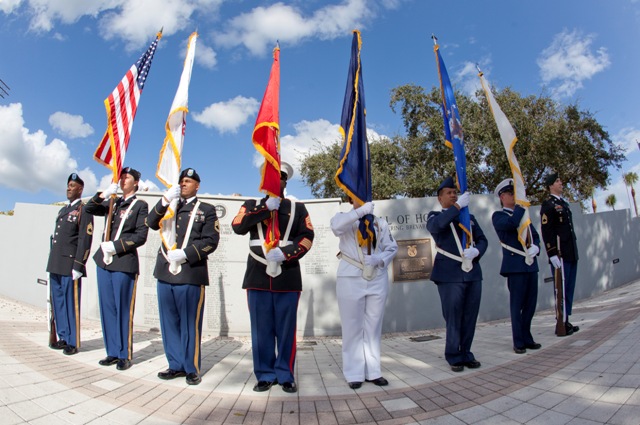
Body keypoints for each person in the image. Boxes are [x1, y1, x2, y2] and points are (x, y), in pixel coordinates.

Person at [232, 162, 314, 393]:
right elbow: (237, 226)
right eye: (270, 177)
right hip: (257, 277)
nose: (276, 182)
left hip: (287, 276)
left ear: (286, 182)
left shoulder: (298, 208)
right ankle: (265, 374)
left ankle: (285, 374)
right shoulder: (251, 205)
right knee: (261, 330)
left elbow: (307, 237)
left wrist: (287, 253)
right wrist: (265, 209)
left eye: (280, 178)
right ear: (263, 181)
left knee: (286, 330)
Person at [146, 168, 220, 385]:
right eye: (181, 181)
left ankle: (191, 368)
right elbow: (150, 223)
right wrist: (164, 200)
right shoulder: (170, 206)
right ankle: (175, 365)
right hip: (165, 271)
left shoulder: (206, 209)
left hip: (190, 273)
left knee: (189, 323)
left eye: (188, 181)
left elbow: (211, 241)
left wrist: (186, 254)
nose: (184, 184)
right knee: (169, 323)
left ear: (198, 185)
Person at [84, 167, 149, 371]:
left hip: (123, 261)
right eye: (121, 177)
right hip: (104, 261)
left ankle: (124, 354)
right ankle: (111, 351)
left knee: (122, 309)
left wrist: (116, 246)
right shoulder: (113, 202)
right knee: (108, 309)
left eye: (126, 177)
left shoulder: (140, 205)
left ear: (136, 182)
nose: (122, 180)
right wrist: (103, 193)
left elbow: (140, 236)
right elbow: (89, 209)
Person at [330, 199, 398, 389]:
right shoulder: (344, 218)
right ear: (352, 199)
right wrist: (358, 213)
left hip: (376, 276)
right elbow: (336, 228)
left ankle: (373, 371)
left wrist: (380, 258)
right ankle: (354, 373)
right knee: (352, 327)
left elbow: (392, 248)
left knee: (373, 326)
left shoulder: (379, 223)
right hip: (351, 276)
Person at [426, 176, 488, 372]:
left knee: (470, 316)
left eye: (455, 192)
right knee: (453, 316)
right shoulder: (434, 216)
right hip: (449, 275)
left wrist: (477, 251)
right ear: (440, 198)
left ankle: (466, 353)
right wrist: (458, 207)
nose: (453, 195)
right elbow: (437, 227)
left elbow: (483, 240)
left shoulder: (469, 217)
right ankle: (453, 355)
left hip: (472, 272)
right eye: (449, 193)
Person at [491, 179, 542, 354]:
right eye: (512, 193)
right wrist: (521, 205)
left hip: (530, 265)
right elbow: (511, 224)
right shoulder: (499, 216)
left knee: (530, 305)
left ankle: (527, 337)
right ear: (502, 197)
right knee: (517, 305)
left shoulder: (524, 217)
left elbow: (534, 235)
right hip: (515, 266)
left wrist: (537, 247)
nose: (515, 196)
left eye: (516, 193)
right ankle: (518, 341)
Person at [46, 173, 94, 355]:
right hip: (56, 263)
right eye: (68, 185)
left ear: (80, 189)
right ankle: (63, 336)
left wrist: (79, 265)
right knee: (58, 302)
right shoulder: (62, 211)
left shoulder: (84, 210)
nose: (69, 188)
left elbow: (85, 239)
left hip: (70, 265)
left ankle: (73, 341)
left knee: (70, 303)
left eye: (73, 185)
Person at [540, 172, 580, 336]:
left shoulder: (564, 204)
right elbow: (546, 230)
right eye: (557, 181)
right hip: (560, 254)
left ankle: (566, 319)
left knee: (569, 288)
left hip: (570, 252)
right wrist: (551, 253)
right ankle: (561, 323)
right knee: (560, 290)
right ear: (550, 185)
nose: (561, 182)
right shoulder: (548, 205)